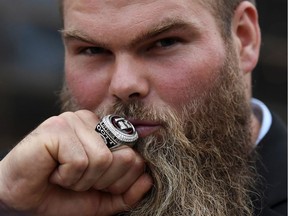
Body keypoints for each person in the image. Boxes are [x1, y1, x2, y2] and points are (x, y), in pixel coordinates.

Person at [0, 0, 286, 215]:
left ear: (244, 40)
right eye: (92, 50)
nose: (123, 85)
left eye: (165, 42)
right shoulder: (16, 189)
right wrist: (12, 202)